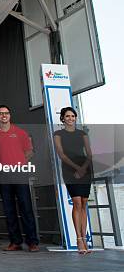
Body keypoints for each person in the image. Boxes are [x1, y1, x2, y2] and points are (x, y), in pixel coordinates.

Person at [0, 105, 39, 252]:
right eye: (1, 114)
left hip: (19, 173)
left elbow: (30, 152)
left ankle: (32, 242)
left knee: (26, 206)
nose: (4, 116)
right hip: (4, 174)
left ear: (9, 115)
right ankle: (15, 242)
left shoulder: (20, 133)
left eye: (6, 113)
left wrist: (19, 162)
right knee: (8, 208)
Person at [53, 106, 93, 254]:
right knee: (76, 202)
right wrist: (77, 168)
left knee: (83, 203)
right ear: (62, 118)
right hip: (70, 170)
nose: (70, 118)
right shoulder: (58, 134)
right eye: (67, 116)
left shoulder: (82, 133)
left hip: (85, 169)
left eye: (73, 116)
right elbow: (62, 155)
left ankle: (85, 239)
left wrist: (83, 168)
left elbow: (89, 154)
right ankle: (79, 240)